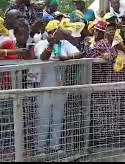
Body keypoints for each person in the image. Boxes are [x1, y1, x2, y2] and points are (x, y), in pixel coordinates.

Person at [33, 20, 83, 154]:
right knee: (43, 119)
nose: (59, 35)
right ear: (49, 33)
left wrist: (67, 58)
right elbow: (43, 57)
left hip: (61, 87)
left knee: (57, 118)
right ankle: (40, 149)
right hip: (44, 88)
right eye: (55, 32)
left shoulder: (65, 44)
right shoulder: (41, 44)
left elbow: (80, 54)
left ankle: (55, 146)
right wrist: (51, 44)